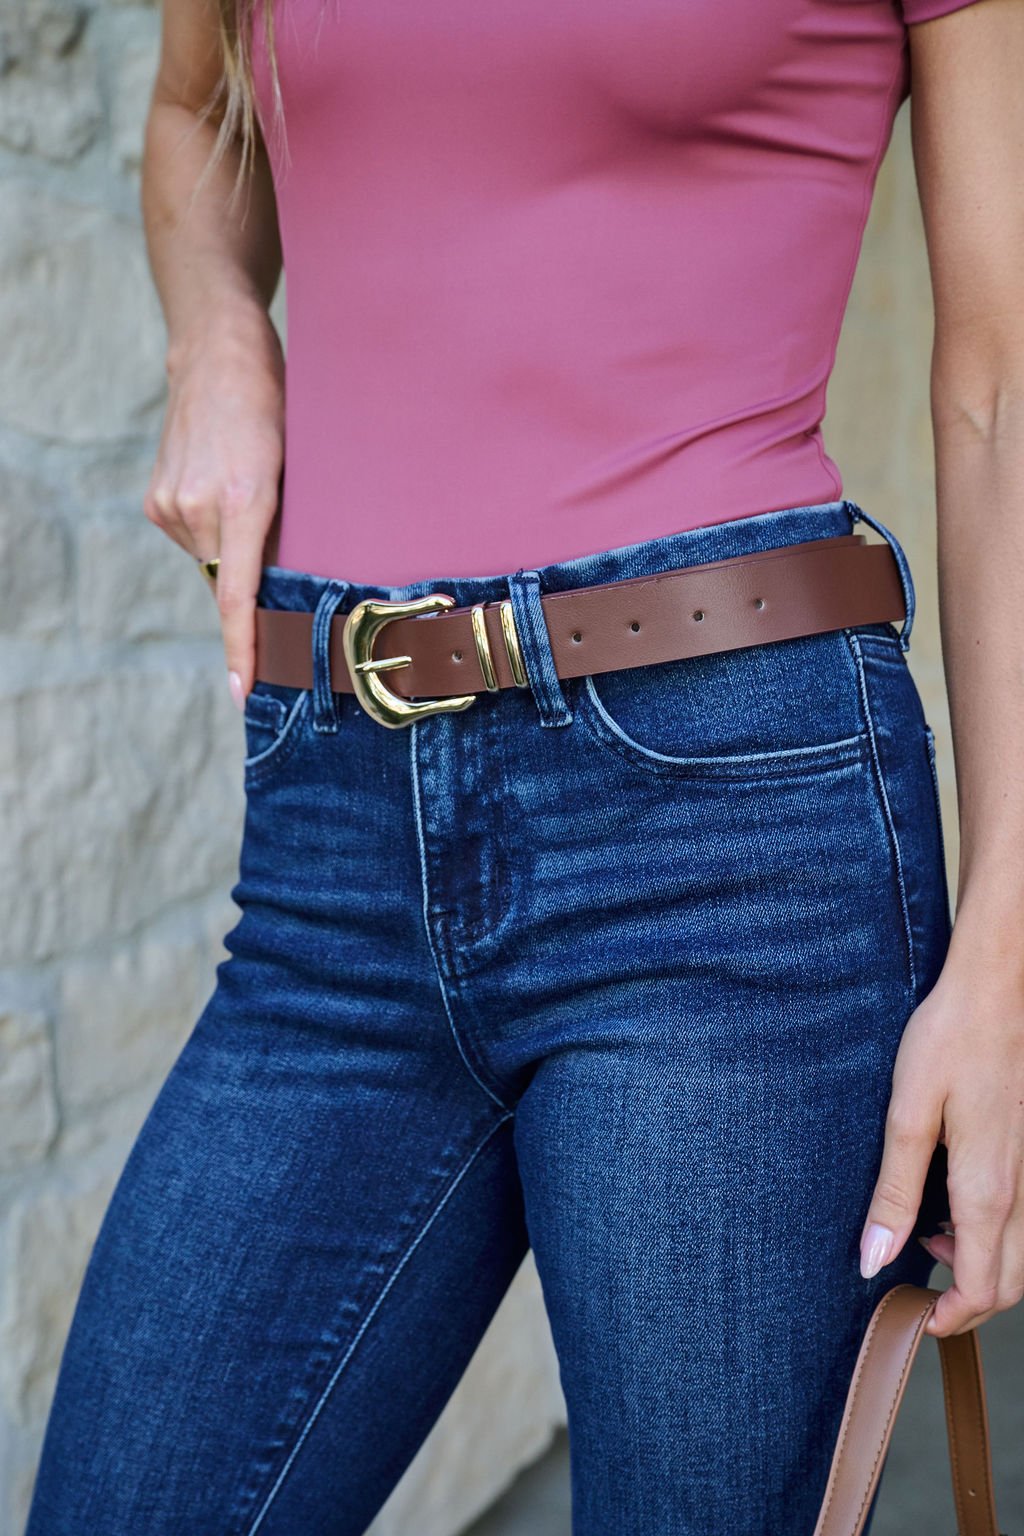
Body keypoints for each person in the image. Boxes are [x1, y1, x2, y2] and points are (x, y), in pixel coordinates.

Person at [24, 0, 1023, 1533]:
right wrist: (216, 326)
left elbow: (1000, 394)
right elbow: (190, 118)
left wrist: (1007, 962)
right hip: (330, 850)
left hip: (722, 847)